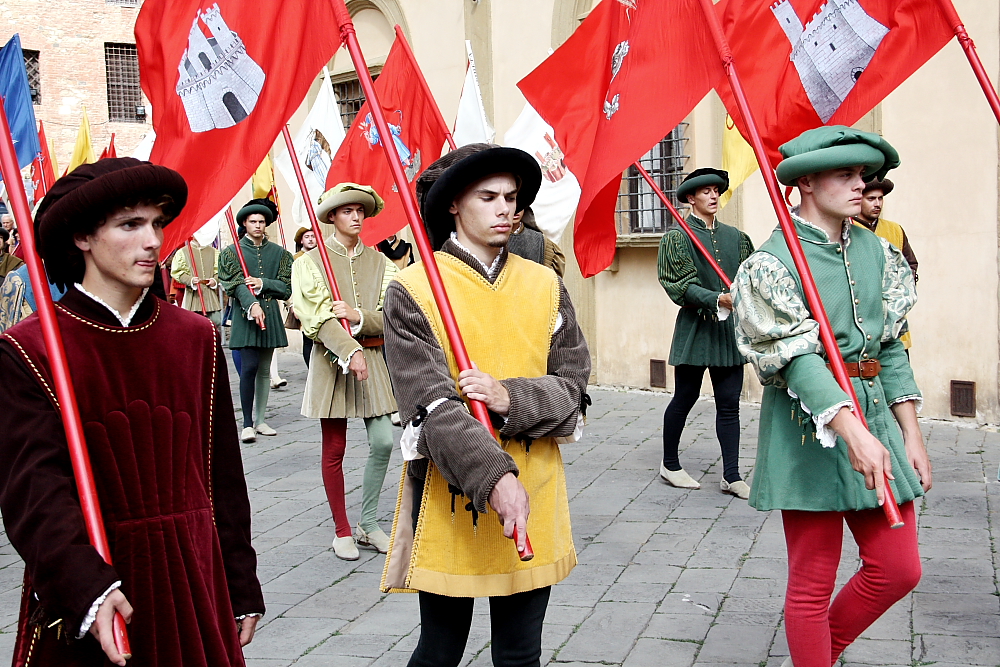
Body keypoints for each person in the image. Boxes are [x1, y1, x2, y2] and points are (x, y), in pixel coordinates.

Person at [0, 158, 264, 666]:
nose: (152, 240)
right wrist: (86, 586)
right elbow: (34, 492)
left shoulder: (196, 336)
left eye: (157, 224)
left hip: (193, 576)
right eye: (129, 224)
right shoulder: (31, 350)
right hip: (100, 578)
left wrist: (239, 579)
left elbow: (222, 476)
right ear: (82, 237)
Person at [382, 144, 590, 667]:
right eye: (488, 196)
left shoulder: (544, 283)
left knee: (521, 654)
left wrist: (508, 396)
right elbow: (433, 409)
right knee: (440, 649)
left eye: (512, 198)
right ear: (454, 202)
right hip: (457, 491)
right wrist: (496, 477)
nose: (505, 209)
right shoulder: (414, 289)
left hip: (537, 484)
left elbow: (573, 387)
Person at [731, 127, 931, 667]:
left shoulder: (878, 252)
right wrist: (854, 434)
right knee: (812, 583)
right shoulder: (771, 263)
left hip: (875, 421)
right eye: (844, 174)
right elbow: (796, 360)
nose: (858, 184)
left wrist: (910, 434)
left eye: (861, 174)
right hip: (808, 430)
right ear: (807, 183)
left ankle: (819, 653)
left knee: (898, 567)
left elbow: (889, 348)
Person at [292, 183, 398, 560]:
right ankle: (342, 530)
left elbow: (392, 317)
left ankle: (369, 523)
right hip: (331, 362)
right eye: (347, 211)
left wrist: (360, 316)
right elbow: (315, 317)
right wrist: (348, 348)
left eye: (360, 211)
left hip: (372, 361)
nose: (356, 217)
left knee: (384, 441)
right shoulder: (308, 263)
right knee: (334, 448)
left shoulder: (384, 263)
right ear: (332, 216)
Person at [656, 168, 754, 498]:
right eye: (705, 192)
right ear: (690, 198)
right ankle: (669, 464)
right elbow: (678, 285)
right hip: (696, 328)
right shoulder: (677, 236)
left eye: (716, 191)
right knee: (685, 397)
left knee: (729, 404)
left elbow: (749, 277)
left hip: (728, 332)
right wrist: (715, 298)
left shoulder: (737, 238)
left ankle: (732, 474)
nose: (713, 196)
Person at [220, 198, 293, 443]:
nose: (258, 225)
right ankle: (247, 423)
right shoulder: (232, 253)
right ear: (245, 223)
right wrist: (250, 303)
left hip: (270, 315)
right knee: (248, 368)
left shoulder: (280, 254)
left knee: (264, 370)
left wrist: (264, 284)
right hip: (245, 317)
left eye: (262, 221)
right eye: (253, 221)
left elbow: (286, 287)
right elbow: (232, 283)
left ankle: (261, 420)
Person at [853, 177, 918, 349]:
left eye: (880, 198)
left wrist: (899, 295)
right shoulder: (846, 228)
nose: (877, 204)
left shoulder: (895, 229)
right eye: (871, 199)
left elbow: (911, 265)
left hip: (895, 320)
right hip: (863, 324)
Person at [170, 238, 222, 327]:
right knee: (191, 323)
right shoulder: (183, 252)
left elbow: (220, 271)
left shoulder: (214, 252)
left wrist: (214, 280)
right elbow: (178, 272)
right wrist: (190, 280)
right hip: (193, 294)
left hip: (209, 294)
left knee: (215, 321)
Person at [507, 206, 566, 277]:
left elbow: (551, 283)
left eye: (520, 203)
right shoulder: (491, 240)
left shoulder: (543, 243)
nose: (516, 209)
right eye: (510, 200)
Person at [290, 226, 319, 367]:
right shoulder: (295, 259)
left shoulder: (322, 256)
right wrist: (293, 304)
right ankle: (311, 368)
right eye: (307, 237)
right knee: (308, 338)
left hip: (320, 303)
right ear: (301, 240)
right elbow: (292, 284)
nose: (311, 239)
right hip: (304, 303)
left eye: (313, 236)